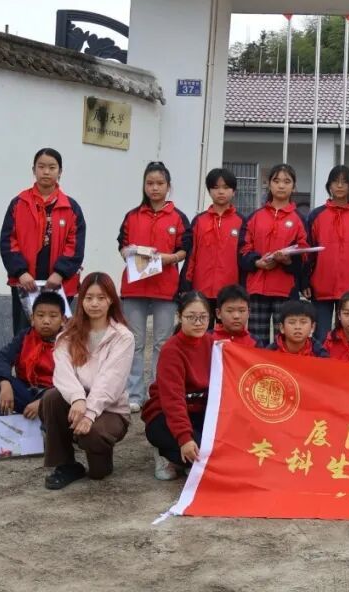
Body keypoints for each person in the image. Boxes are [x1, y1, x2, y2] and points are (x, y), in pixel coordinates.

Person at [41, 272, 133, 490]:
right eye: (89, 298)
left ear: (111, 300)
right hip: (78, 403)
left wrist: (89, 412)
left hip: (110, 409)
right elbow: (63, 373)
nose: (94, 304)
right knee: (51, 398)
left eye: (101, 298)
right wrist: (77, 399)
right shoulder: (67, 335)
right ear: (81, 300)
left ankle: (100, 454)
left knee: (98, 472)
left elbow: (111, 380)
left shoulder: (122, 337)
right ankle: (65, 464)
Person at [117, 161, 192, 412]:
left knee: (162, 342)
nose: (155, 188)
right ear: (144, 186)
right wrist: (128, 252)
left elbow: (185, 249)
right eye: (150, 183)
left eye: (160, 183)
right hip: (134, 287)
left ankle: (157, 392)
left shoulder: (178, 217)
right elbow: (122, 245)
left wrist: (169, 258)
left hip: (165, 288)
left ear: (168, 186)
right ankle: (134, 394)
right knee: (134, 342)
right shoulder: (132, 216)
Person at [0, 148, 86, 334]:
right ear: (34, 170)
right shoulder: (18, 203)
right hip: (25, 284)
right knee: (24, 335)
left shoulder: (71, 207)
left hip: (59, 284)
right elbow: (8, 242)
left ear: (60, 172)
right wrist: (21, 272)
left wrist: (60, 273)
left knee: (58, 335)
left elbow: (75, 246)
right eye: (41, 167)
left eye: (52, 167)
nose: (46, 172)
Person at [143, 291, 214, 481]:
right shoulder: (171, 350)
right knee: (200, 452)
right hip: (165, 415)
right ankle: (164, 454)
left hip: (198, 412)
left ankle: (185, 460)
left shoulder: (212, 343)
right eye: (191, 317)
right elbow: (173, 400)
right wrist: (184, 438)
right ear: (179, 316)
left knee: (217, 452)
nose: (198, 323)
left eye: (203, 317)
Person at [239, 164, 309, 342]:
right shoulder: (255, 217)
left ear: (294, 187)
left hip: (286, 291)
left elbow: (305, 255)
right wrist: (257, 262)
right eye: (276, 181)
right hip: (256, 289)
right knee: (257, 343)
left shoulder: (299, 219)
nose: (281, 185)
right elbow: (242, 250)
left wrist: (287, 261)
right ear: (269, 184)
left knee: (284, 342)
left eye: (287, 181)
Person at [305, 165, 349, 340]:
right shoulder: (316, 215)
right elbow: (307, 252)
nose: (340, 186)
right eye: (335, 182)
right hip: (321, 287)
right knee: (321, 337)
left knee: (348, 336)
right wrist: (305, 281)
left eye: (344, 182)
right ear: (329, 186)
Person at [0, 291, 66, 419]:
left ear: (63, 320)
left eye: (53, 316)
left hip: (55, 397)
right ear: (32, 319)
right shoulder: (25, 336)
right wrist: (5, 382)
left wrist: (43, 403)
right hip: (27, 391)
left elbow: (74, 383)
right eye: (40, 315)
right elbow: (2, 358)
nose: (46, 321)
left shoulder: (70, 342)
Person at [183, 168, 243, 308]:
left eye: (226, 187)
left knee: (227, 323)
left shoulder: (242, 221)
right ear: (209, 191)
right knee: (201, 322)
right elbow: (191, 256)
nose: (221, 192)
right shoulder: (199, 220)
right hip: (201, 288)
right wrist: (185, 284)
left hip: (231, 291)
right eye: (215, 188)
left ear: (234, 191)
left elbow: (243, 257)